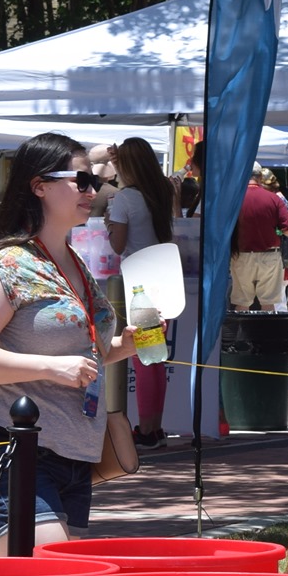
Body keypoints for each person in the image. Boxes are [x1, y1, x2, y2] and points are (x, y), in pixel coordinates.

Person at [0, 134, 136, 551]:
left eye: (95, 181)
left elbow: (79, 353)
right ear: (39, 186)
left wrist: (121, 347)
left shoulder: (74, 263)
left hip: (75, 453)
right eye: (82, 180)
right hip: (11, 448)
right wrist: (51, 368)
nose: (93, 190)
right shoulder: (6, 265)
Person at [108, 137, 177, 446]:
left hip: (140, 285)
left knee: (144, 357)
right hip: (164, 277)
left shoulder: (125, 199)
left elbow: (118, 245)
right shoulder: (163, 190)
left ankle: (147, 430)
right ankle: (154, 426)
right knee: (156, 358)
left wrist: (111, 224)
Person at [231, 166, 288, 311]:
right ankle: (266, 333)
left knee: (242, 303)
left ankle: (240, 334)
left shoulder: (234, 199)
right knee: (268, 303)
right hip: (269, 256)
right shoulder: (274, 198)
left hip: (241, 255)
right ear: (260, 177)